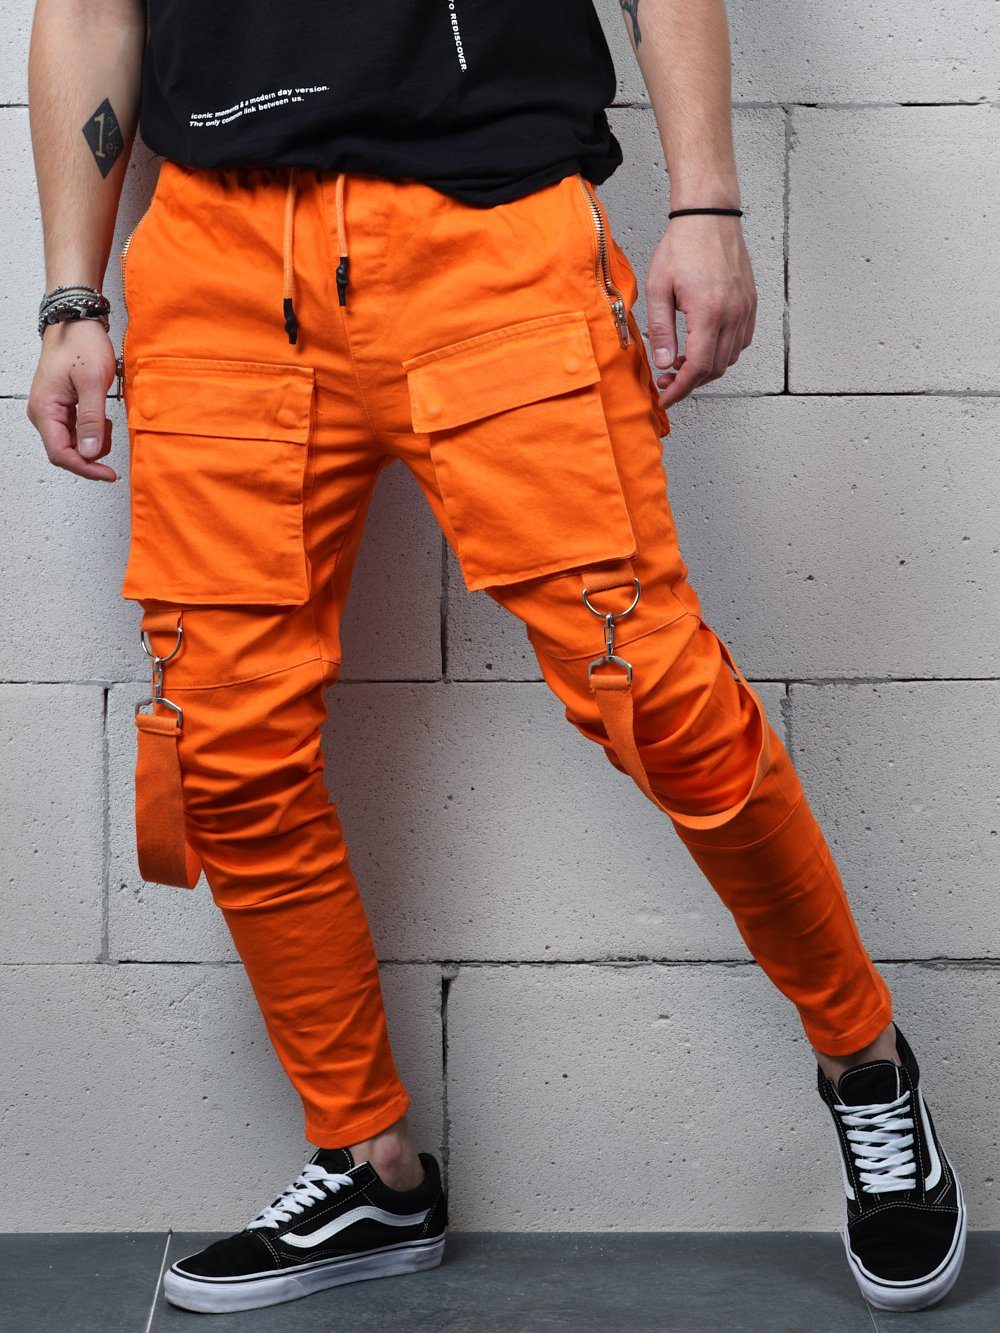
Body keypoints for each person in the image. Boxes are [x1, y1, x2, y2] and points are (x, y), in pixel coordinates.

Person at [26, 0, 966, 1317]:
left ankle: (865, 1059)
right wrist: (71, 291)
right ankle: (368, 1163)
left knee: (661, 697)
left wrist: (708, 202)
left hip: (489, 228)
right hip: (222, 255)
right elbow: (88, 10)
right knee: (223, 750)